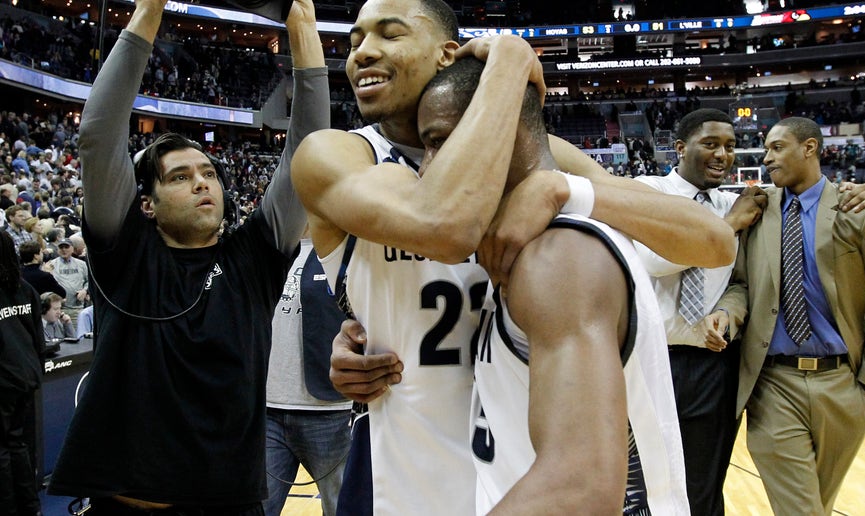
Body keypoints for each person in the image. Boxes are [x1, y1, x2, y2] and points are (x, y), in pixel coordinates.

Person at [292, 1, 734, 513]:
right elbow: (446, 224)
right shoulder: (340, 155)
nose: (364, 53)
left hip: (526, 472)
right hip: (406, 470)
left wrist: (561, 188)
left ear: (447, 54)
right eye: (353, 42)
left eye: (390, 35)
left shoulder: (533, 152)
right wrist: (510, 61)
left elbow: (713, 240)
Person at [45, 0, 326, 512]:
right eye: (180, 176)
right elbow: (97, 134)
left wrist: (303, 28)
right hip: (125, 505)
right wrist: (149, 10)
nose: (202, 182)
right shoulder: (123, 253)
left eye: (209, 173)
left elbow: (309, 152)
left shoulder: (255, 258)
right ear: (145, 204)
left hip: (230, 504)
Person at [417, 57, 689, 515]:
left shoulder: (559, 256)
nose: (426, 170)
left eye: (438, 143)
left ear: (501, 130)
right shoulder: (517, 245)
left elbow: (579, 488)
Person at [707, 117, 865, 515]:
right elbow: (741, 283)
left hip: (843, 386)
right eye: (765, 150)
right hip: (774, 383)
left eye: (776, 148)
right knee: (801, 510)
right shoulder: (757, 211)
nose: (766, 158)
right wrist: (728, 312)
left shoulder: (859, 210)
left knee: (817, 505)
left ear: (810, 148)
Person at [633, 109, 767, 515]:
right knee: (647, 483)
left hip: (714, 364)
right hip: (653, 360)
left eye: (729, 146)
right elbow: (654, 258)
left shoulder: (735, 202)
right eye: (711, 144)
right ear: (680, 148)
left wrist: (853, 192)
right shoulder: (649, 189)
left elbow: (741, 283)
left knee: (706, 484)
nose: (723, 154)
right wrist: (726, 226)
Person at [263, 228, 351, 516]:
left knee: (343, 509)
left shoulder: (349, 250)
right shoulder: (267, 250)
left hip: (333, 413)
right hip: (267, 412)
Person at [0, 231, 43, 514]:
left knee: (2, 448)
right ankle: (30, 506)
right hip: (27, 374)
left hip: (4, 379)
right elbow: (37, 338)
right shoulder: (25, 288)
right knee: (16, 442)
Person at [45, 239, 88, 321]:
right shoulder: (51, 265)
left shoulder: (81, 264)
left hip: (77, 308)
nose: (64, 250)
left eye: (66, 247)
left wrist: (85, 290)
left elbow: (89, 281)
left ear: (72, 248)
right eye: (61, 247)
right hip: (59, 309)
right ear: (58, 250)